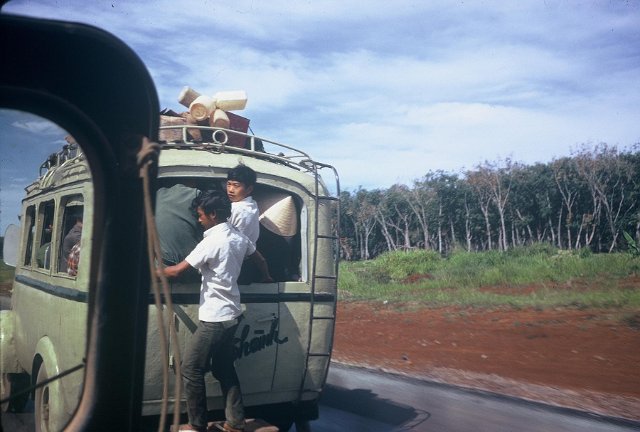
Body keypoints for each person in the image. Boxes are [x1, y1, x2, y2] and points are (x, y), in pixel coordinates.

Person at [162, 190, 272, 432]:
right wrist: (266, 278)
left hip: (215, 317)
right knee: (224, 368)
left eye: (200, 215)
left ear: (212, 214)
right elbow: (260, 259)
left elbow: (176, 272)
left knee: (190, 369)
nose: (198, 219)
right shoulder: (238, 237)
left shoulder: (212, 241)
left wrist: (153, 268)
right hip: (232, 313)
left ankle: (197, 425)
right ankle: (235, 422)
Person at [226, 164, 259, 245]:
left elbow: (235, 243)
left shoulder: (239, 209)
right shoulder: (252, 204)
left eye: (236, 185)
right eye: (229, 184)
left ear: (249, 189)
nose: (230, 190)